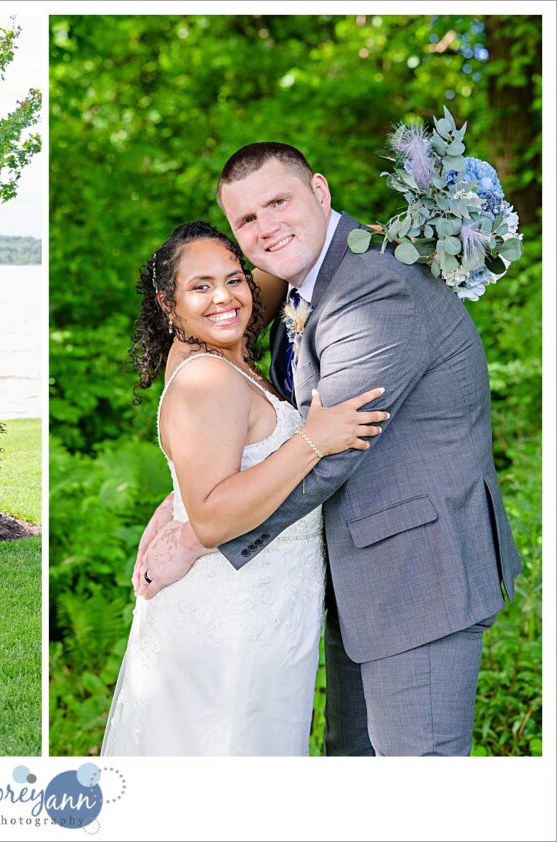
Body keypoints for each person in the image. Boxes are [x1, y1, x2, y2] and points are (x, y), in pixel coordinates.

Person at [136, 143, 521, 756]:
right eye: (248, 220)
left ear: (320, 191)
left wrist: (198, 533)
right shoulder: (306, 280)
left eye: (279, 202)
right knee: (350, 765)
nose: (267, 227)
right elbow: (253, 408)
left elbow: (334, 447)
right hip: (356, 577)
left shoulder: (371, 290)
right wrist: (186, 496)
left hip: (416, 573)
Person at [101, 221, 386, 756]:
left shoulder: (223, 345)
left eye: (232, 280)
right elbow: (210, 518)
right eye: (200, 287)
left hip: (270, 602)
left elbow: (273, 269)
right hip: (232, 611)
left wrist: (343, 231)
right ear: (169, 303)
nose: (224, 298)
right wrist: (314, 441)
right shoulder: (205, 378)